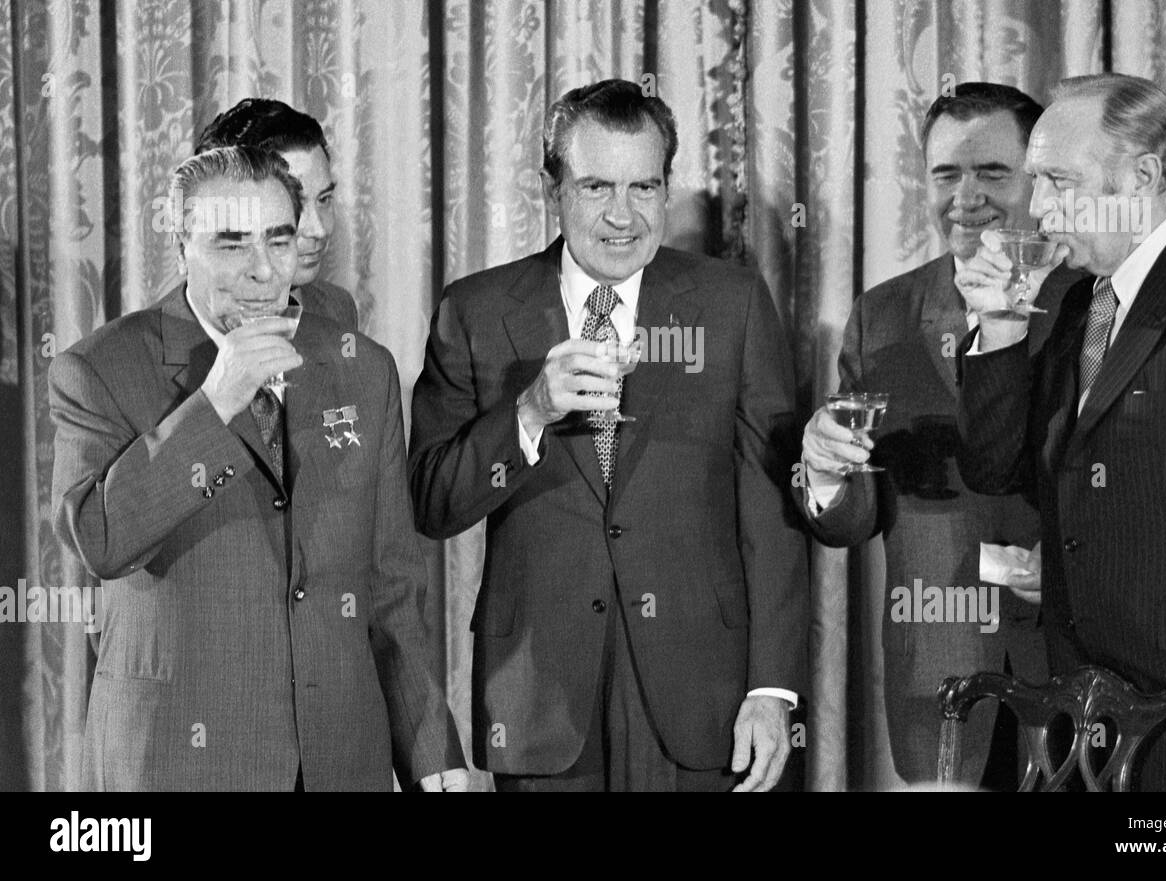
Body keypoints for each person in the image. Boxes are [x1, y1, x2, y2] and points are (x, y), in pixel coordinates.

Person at [407, 79, 809, 791]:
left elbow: (772, 515)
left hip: (703, 701)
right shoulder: (474, 311)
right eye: (596, 187)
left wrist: (771, 689)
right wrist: (527, 413)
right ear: (550, 188)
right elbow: (433, 502)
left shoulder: (732, 304)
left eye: (644, 188)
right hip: (539, 702)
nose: (623, 216)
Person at [49, 146, 465, 790]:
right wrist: (215, 403)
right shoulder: (99, 369)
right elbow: (101, 542)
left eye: (278, 239)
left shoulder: (362, 367)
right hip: (179, 764)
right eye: (231, 244)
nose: (263, 272)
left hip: (339, 761)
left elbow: (391, 587)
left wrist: (432, 750)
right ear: (180, 238)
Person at [956, 73, 1166, 791]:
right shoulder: (1075, 302)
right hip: (1079, 727)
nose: (1037, 207)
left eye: (1057, 181)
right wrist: (998, 329)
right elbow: (997, 470)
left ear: (1141, 176)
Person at [798, 83, 1076, 787]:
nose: (966, 195)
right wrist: (826, 472)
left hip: (1080, 662)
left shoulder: (1091, 301)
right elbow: (854, 520)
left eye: (992, 173)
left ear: (1037, 180)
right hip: (940, 671)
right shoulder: (882, 314)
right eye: (947, 173)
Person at [195, 98, 358, 329]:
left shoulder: (337, 309)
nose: (319, 230)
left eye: (324, 199)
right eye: (295, 203)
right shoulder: (145, 344)